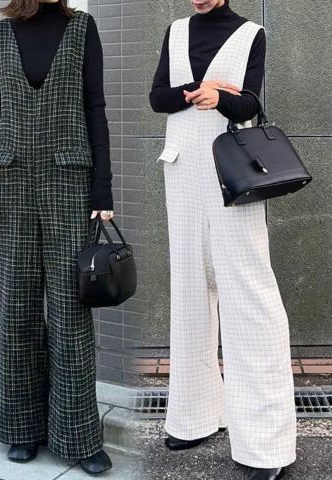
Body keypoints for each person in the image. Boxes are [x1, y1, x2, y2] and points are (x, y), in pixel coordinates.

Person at [149, 1, 296, 479]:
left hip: (235, 175)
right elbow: (157, 98)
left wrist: (221, 98)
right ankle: (194, 417)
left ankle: (267, 446)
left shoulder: (251, 33)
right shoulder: (176, 31)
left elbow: (250, 104)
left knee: (250, 300)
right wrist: (197, 91)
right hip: (181, 171)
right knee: (191, 293)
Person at [0, 0, 113, 475]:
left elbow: (95, 107)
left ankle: (79, 435)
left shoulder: (83, 28)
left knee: (72, 308)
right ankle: (22, 428)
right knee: (17, 306)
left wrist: (103, 186)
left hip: (71, 181)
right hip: (11, 179)